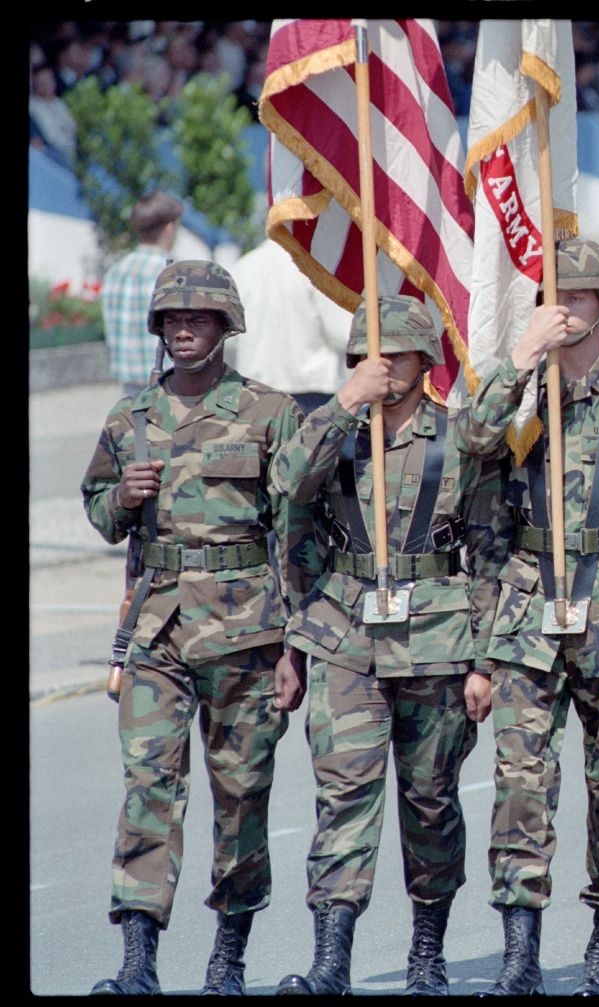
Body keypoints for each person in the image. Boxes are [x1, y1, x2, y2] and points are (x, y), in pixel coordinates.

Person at [454, 238, 599, 997]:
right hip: (527, 613)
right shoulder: (519, 396)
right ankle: (520, 950)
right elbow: (470, 443)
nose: (563, 310)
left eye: (579, 298)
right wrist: (519, 358)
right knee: (521, 782)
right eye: (551, 298)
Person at [81, 261, 314, 996]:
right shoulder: (130, 417)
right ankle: (137, 961)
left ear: (225, 327)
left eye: (199, 319)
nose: (184, 330)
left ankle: (228, 960)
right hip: (156, 633)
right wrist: (121, 493)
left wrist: (295, 646)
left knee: (242, 795)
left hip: (247, 634)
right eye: (173, 320)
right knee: (149, 787)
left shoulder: (269, 412)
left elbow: (297, 535)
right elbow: (98, 510)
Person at [269, 294, 500, 995]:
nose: (383, 365)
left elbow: (489, 552)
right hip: (343, 633)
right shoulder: (331, 431)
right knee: (343, 796)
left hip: (437, 639)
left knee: (430, 799)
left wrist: (486, 659)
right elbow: (286, 488)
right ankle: (331, 960)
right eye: (371, 353)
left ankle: (427, 954)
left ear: (426, 360)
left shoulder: (458, 439)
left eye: (397, 353)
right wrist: (293, 643)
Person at [224, 237, 354, 416]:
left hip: (256, 395)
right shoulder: (316, 266)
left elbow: (230, 340)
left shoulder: (242, 267)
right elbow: (342, 334)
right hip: (311, 393)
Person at [101, 192, 182, 398]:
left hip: (128, 387)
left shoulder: (115, 273)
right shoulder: (172, 273)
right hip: (167, 384)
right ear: (169, 228)